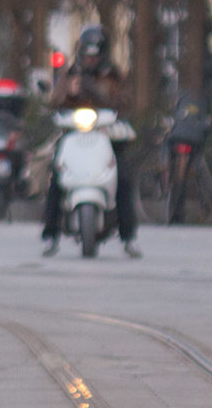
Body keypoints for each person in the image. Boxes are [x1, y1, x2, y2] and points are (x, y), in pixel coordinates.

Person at [41, 25, 141, 258]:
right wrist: (68, 92)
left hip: (105, 134)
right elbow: (54, 101)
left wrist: (102, 96)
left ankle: (128, 237)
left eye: (94, 55)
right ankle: (51, 235)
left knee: (124, 178)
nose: (89, 60)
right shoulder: (70, 74)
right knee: (55, 177)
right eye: (86, 55)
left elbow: (125, 101)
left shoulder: (114, 75)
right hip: (75, 135)